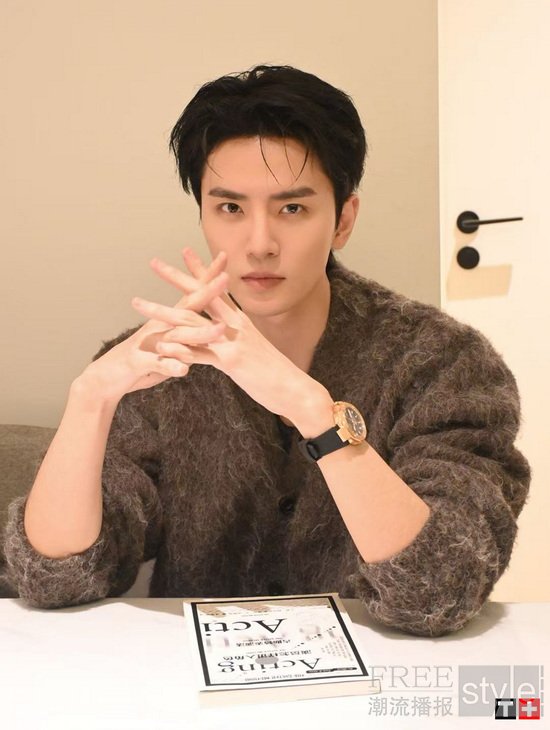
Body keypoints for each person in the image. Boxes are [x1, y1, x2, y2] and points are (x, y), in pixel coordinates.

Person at [3, 65, 530, 636]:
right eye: (230, 208)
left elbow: (441, 589)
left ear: (343, 220)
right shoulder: (159, 364)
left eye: (292, 209)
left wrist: (311, 410)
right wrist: (90, 399)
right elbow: (55, 579)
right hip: (186, 679)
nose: (259, 244)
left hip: (384, 675)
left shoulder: (443, 362)